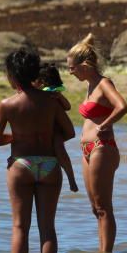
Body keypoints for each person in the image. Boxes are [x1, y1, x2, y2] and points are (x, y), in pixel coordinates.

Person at [0, 49, 76, 253]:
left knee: (20, 227)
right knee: (47, 228)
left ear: (12, 75)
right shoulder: (51, 100)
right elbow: (70, 132)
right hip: (49, 165)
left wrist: (18, 136)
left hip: (21, 166)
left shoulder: (7, 105)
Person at [67, 34, 127, 253]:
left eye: (72, 68)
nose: (70, 72)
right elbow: (86, 44)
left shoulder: (104, 83)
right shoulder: (90, 85)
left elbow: (122, 106)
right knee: (95, 209)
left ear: (84, 66)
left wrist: (106, 124)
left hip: (103, 148)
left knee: (104, 208)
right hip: (87, 150)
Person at [35, 63, 79, 192]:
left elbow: (68, 107)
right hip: (43, 129)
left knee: (60, 149)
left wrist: (59, 96)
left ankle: (71, 179)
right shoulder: (36, 94)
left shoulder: (55, 94)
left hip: (56, 128)